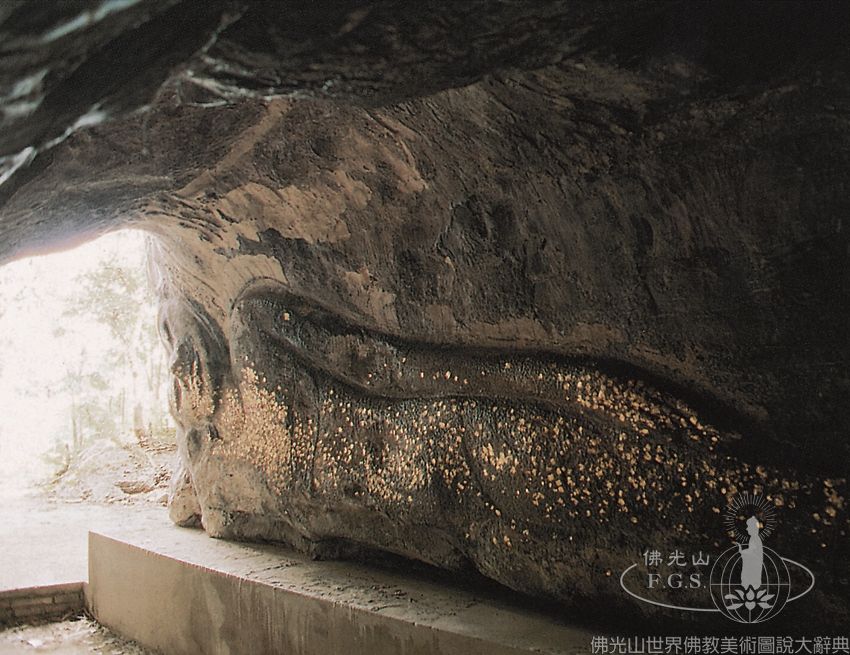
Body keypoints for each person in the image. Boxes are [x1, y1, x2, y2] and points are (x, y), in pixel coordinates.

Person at [738, 515, 763, 589]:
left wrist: (742, 551)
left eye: (748, 527)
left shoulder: (754, 538)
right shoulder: (753, 538)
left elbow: (752, 551)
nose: (747, 529)